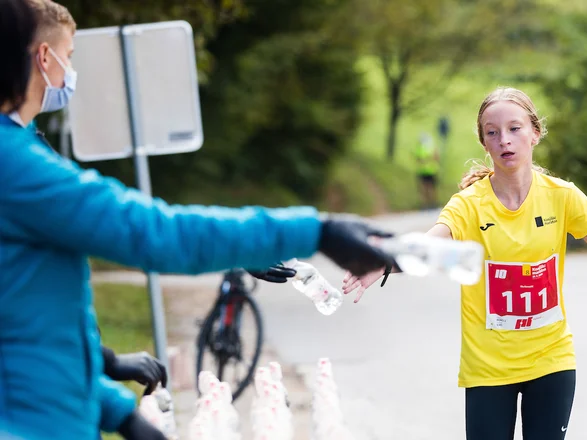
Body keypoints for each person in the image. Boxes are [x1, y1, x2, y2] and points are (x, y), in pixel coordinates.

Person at [0, 1, 395, 440]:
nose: (70, 71)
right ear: (40, 57)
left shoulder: (19, 150)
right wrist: (316, 231)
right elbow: (153, 232)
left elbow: (31, 321)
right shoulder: (13, 163)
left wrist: (116, 410)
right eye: (68, 58)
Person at [343, 87, 587, 440]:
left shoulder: (563, 197)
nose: (505, 140)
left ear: (534, 133)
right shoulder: (468, 206)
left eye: (515, 128)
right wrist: (379, 263)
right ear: (484, 143)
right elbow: (426, 246)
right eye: (493, 132)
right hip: (488, 370)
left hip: (551, 361)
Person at [412, 132, 440, 210]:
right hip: (431, 170)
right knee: (430, 189)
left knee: (425, 189)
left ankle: (426, 205)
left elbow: (417, 159)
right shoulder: (431, 147)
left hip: (424, 171)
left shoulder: (420, 147)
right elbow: (436, 157)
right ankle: (432, 204)